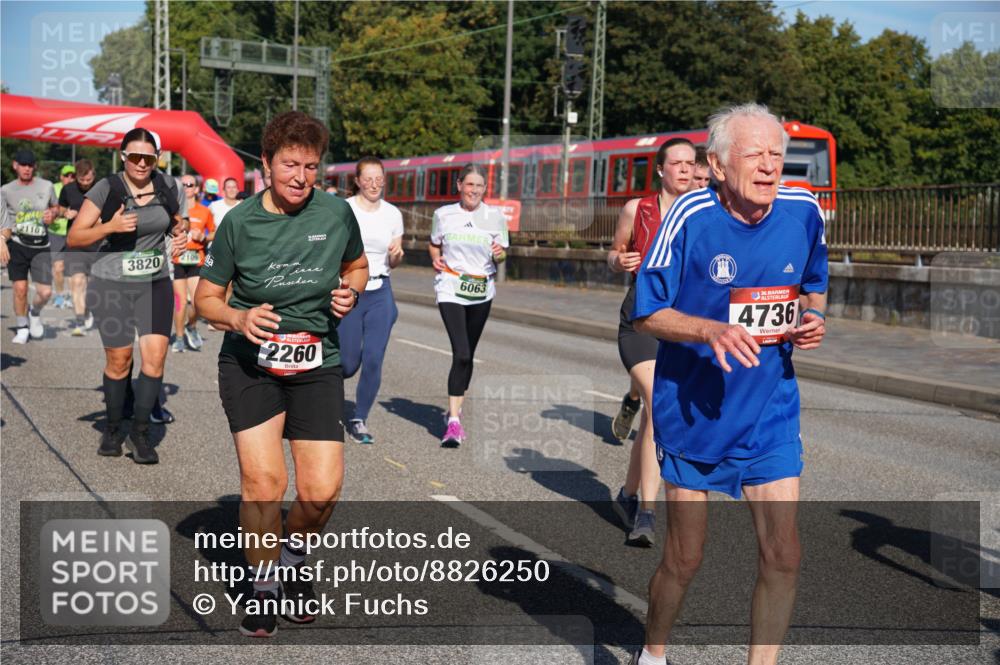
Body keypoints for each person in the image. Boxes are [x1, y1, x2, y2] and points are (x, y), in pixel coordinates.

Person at [628, 103, 828, 665]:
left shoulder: (803, 210)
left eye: (777, 155)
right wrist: (710, 329)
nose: (769, 167)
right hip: (694, 411)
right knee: (684, 559)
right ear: (716, 165)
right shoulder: (690, 215)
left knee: (784, 554)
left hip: (770, 410)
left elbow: (814, 286)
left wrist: (813, 318)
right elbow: (646, 313)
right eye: (754, 155)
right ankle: (654, 652)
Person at [193, 111, 368, 637]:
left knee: (321, 492)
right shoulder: (239, 223)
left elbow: (357, 266)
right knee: (265, 482)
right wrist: (239, 317)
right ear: (265, 165)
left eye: (311, 166)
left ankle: (292, 561)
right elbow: (205, 299)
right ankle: (265, 585)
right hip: (250, 364)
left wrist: (351, 292)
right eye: (289, 164)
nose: (300, 176)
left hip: (317, 360)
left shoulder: (337, 214)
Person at [67, 128, 187, 464]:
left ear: (156, 159)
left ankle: (140, 432)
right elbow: (76, 237)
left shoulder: (167, 185)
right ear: (123, 156)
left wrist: (181, 233)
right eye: (134, 156)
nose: (141, 163)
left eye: (148, 158)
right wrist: (109, 227)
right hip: (112, 284)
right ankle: (114, 427)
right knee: (119, 362)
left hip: (154, 281)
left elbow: (178, 221)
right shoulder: (108, 188)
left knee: (155, 359)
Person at [606, 137, 695, 546]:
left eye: (690, 164)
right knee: (660, 410)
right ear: (660, 170)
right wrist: (619, 260)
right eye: (676, 163)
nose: (685, 170)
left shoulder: (705, 212)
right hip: (639, 323)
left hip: (681, 328)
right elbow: (614, 252)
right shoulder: (636, 209)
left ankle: (626, 494)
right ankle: (645, 515)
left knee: (650, 420)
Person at [429, 163, 508, 447]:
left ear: (484, 189)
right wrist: (435, 257)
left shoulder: (495, 217)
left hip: (482, 290)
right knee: (460, 353)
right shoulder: (443, 215)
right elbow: (434, 244)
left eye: (479, 186)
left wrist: (499, 255)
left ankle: (456, 404)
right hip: (450, 287)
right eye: (469, 185)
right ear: (459, 186)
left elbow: (501, 257)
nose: (474, 190)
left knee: (469, 354)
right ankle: (453, 422)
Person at [339, 156, 405, 444]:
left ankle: (359, 418)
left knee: (374, 359)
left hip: (380, 291)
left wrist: (396, 257)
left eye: (379, 178)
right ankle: (320, 396)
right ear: (357, 181)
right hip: (351, 290)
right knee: (347, 363)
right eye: (369, 178)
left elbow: (395, 256)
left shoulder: (392, 214)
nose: (375, 184)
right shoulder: (345, 209)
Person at [2, 149, 59, 344]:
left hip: (41, 245)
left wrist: (52, 214)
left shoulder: (47, 185)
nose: (27, 169)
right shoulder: (6, 190)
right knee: (20, 288)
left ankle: (34, 313)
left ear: (35, 166)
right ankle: (22, 326)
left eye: (30, 165)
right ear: (15, 165)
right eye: (23, 164)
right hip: (17, 243)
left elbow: (55, 208)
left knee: (45, 292)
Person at [172, 175, 215, 352]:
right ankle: (179, 337)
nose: (186, 187)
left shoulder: (204, 211)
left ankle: (192, 326)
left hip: (196, 260)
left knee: (198, 302)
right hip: (177, 261)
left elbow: (214, 232)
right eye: (183, 185)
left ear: (196, 189)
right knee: (180, 302)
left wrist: (204, 237)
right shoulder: (173, 211)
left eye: (190, 185)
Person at [58, 159, 98, 336]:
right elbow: (59, 209)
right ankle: (79, 321)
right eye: (82, 181)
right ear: (77, 178)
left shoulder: (103, 189)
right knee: (76, 281)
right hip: (76, 243)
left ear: (93, 175)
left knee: (93, 287)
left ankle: (88, 310)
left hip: (98, 243)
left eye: (89, 180)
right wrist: (65, 213)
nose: (85, 184)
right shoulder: (68, 189)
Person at [50, 164, 76, 309]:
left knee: (74, 269)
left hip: (73, 233)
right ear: (61, 177)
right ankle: (60, 296)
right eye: (67, 175)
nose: (70, 178)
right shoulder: (54, 189)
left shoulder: (78, 190)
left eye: (72, 176)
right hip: (56, 233)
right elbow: (48, 208)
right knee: (58, 268)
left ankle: (74, 297)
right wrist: (59, 213)